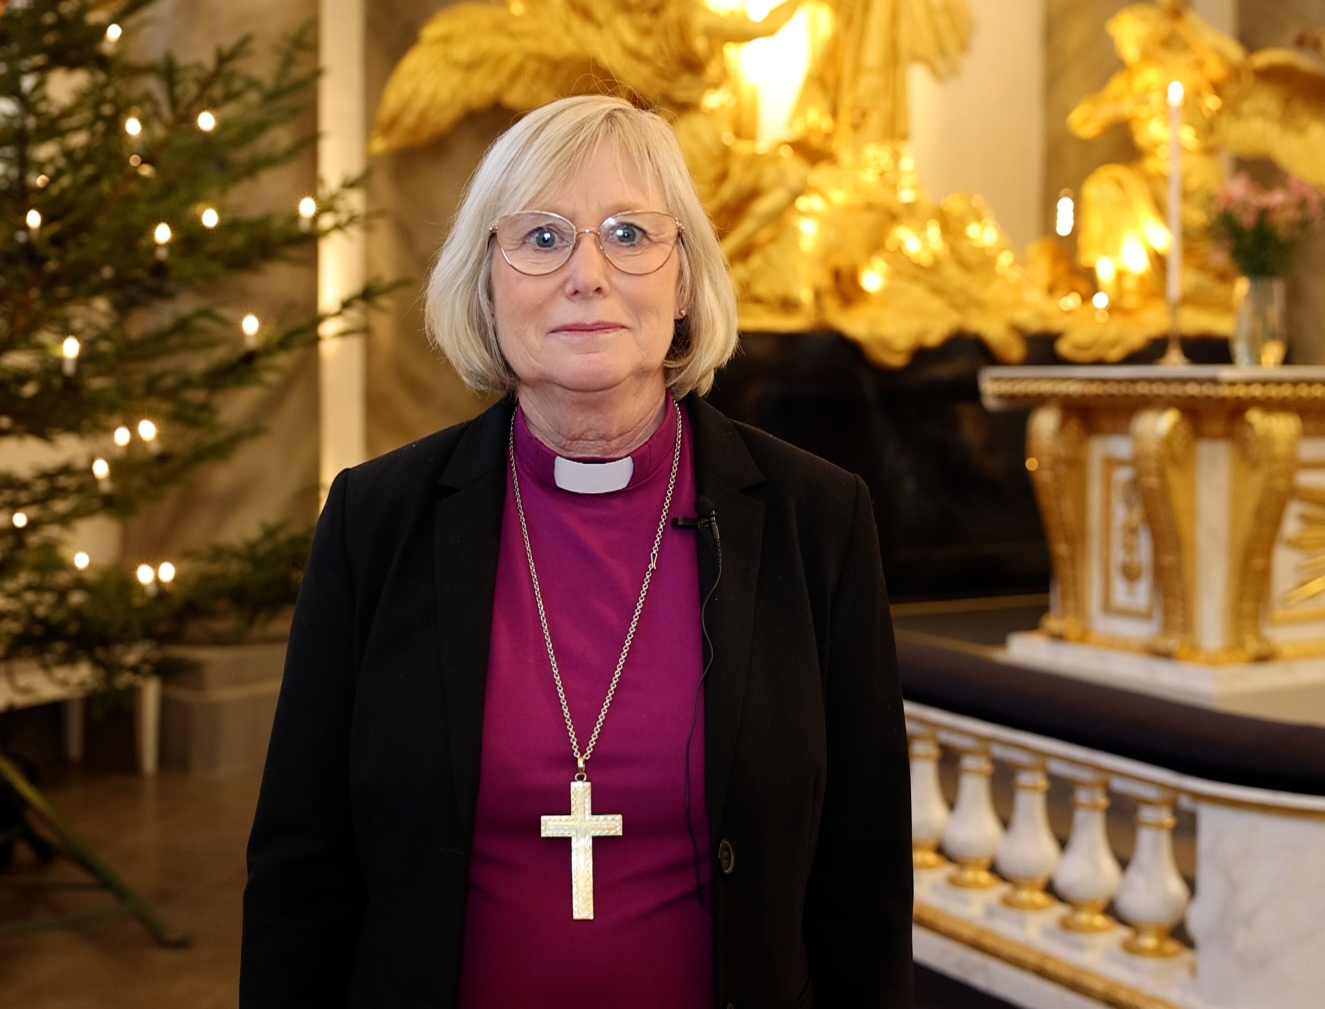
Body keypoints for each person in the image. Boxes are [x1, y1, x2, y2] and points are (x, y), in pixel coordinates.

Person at [241, 94, 911, 1008]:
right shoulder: (377, 519)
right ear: (486, 282)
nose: (588, 273)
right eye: (544, 238)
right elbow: (300, 873)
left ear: (683, 283)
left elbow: (862, 881)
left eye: (631, 233)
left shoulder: (816, 519)